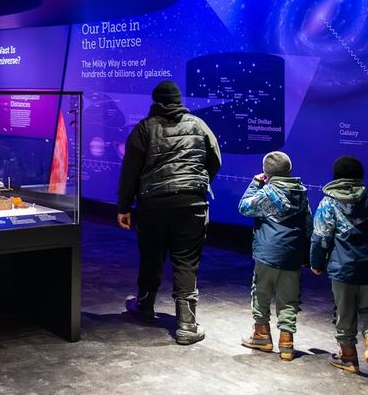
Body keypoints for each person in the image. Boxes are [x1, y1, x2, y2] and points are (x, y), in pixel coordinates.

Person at [117, 80, 221, 345]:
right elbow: (215, 159)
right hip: (192, 205)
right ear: (178, 99)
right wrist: (196, 182)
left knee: (151, 255)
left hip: (153, 205)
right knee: (186, 260)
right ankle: (187, 325)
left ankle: (145, 305)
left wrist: (123, 206)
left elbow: (130, 172)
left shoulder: (144, 129)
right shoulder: (198, 125)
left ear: (155, 101)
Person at [311, 155, 368, 382]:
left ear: (336, 176)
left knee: (344, 311)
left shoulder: (328, 202)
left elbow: (320, 238)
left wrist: (316, 264)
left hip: (343, 269)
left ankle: (348, 358)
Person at [237, 151, 312, 361]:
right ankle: (287, 343)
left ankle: (262, 335)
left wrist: (255, 183)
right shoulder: (301, 194)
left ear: (266, 173)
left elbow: (244, 207)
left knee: (261, 293)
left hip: (268, 254)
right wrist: (305, 255)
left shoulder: (267, 193)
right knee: (289, 299)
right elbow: (309, 227)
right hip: (292, 255)